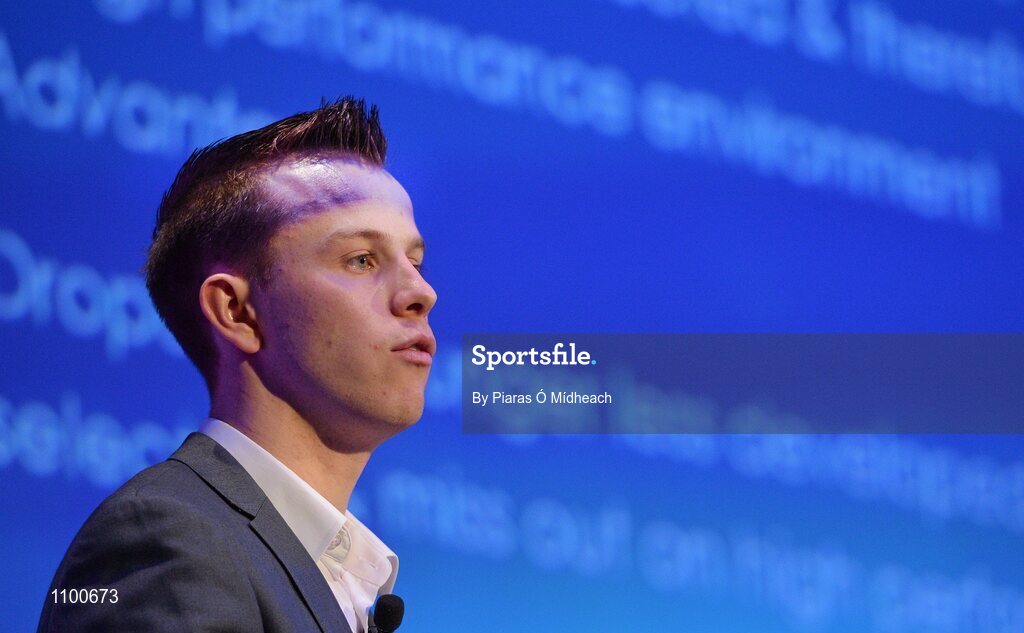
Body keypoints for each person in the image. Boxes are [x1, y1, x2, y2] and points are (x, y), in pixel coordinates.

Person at [37, 97, 437, 633]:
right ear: (237, 312)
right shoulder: (164, 539)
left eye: (415, 261)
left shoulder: (328, 573)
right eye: (361, 259)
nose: (421, 292)